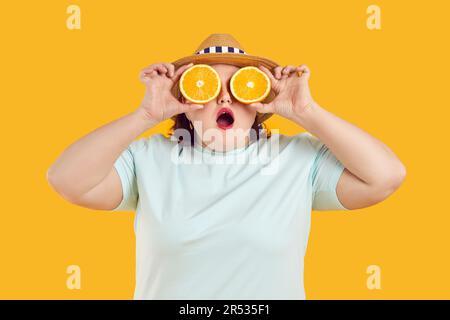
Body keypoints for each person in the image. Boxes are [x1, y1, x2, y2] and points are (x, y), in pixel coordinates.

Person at [47, 34, 406, 299]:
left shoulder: (296, 159)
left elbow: (386, 177)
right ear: (185, 103)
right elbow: (67, 181)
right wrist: (145, 116)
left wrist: (306, 113)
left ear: (258, 102)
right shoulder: (148, 158)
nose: (223, 97)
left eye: (240, 86)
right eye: (205, 86)